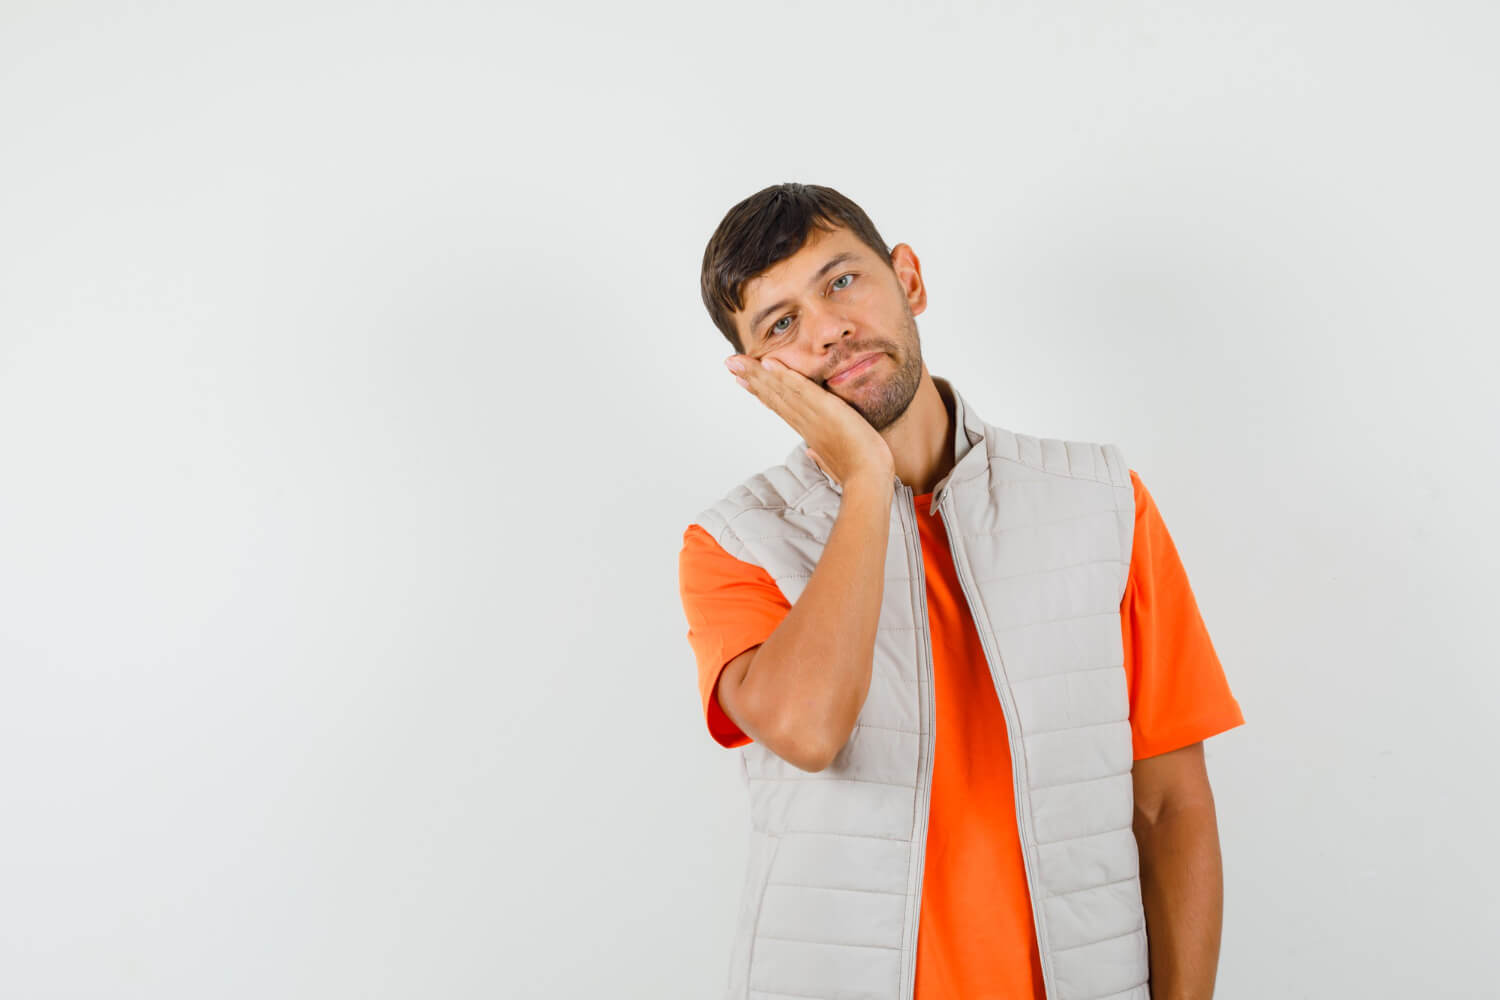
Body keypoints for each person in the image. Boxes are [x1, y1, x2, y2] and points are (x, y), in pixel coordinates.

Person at [677, 182, 1244, 1000]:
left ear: (908, 277)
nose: (829, 330)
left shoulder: (1103, 501)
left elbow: (1169, 807)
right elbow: (807, 729)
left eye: (841, 282)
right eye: (781, 322)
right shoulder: (734, 543)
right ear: (759, 372)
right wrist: (867, 483)